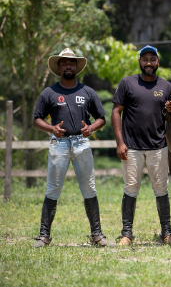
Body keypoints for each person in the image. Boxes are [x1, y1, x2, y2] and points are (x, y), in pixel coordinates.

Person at [33, 48, 107, 248]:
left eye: (72, 63)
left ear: (77, 67)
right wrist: (51, 128)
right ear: (59, 67)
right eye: (65, 63)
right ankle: (43, 236)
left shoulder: (87, 92)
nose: (68, 66)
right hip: (59, 143)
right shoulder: (49, 92)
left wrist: (91, 127)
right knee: (53, 189)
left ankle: (97, 235)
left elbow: (102, 117)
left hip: (82, 144)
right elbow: (36, 119)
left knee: (89, 188)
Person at [111, 45, 171, 246]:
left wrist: (170, 111)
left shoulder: (166, 87)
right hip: (132, 147)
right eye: (145, 59)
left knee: (161, 188)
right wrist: (120, 143)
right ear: (139, 61)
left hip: (158, 146)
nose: (149, 63)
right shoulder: (127, 83)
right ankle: (126, 234)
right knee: (131, 187)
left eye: (152, 59)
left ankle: (166, 233)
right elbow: (115, 112)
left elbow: (169, 118)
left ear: (158, 62)